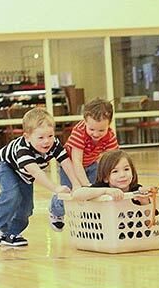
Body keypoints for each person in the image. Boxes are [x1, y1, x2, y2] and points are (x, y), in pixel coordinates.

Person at [0, 107, 80, 247]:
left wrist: (76, 183)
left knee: (27, 207)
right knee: (12, 194)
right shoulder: (23, 150)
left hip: (25, 175)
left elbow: (65, 161)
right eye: (40, 137)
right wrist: (56, 188)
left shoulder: (54, 144)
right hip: (6, 166)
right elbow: (36, 173)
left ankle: (12, 233)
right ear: (27, 137)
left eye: (50, 136)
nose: (46, 141)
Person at [49, 97, 119, 231]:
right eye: (92, 129)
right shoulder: (79, 131)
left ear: (109, 124)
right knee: (71, 194)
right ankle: (55, 208)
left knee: (93, 195)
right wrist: (86, 186)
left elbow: (113, 160)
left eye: (101, 130)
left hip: (92, 165)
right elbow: (76, 161)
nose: (96, 134)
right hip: (70, 166)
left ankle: (89, 221)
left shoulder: (110, 135)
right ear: (85, 121)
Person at [71, 150, 150, 204]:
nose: (122, 175)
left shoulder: (136, 189)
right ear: (105, 177)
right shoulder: (101, 187)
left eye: (126, 169)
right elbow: (76, 194)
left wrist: (144, 202)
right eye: (115, 171)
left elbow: (148, 222)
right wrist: (106, 191)